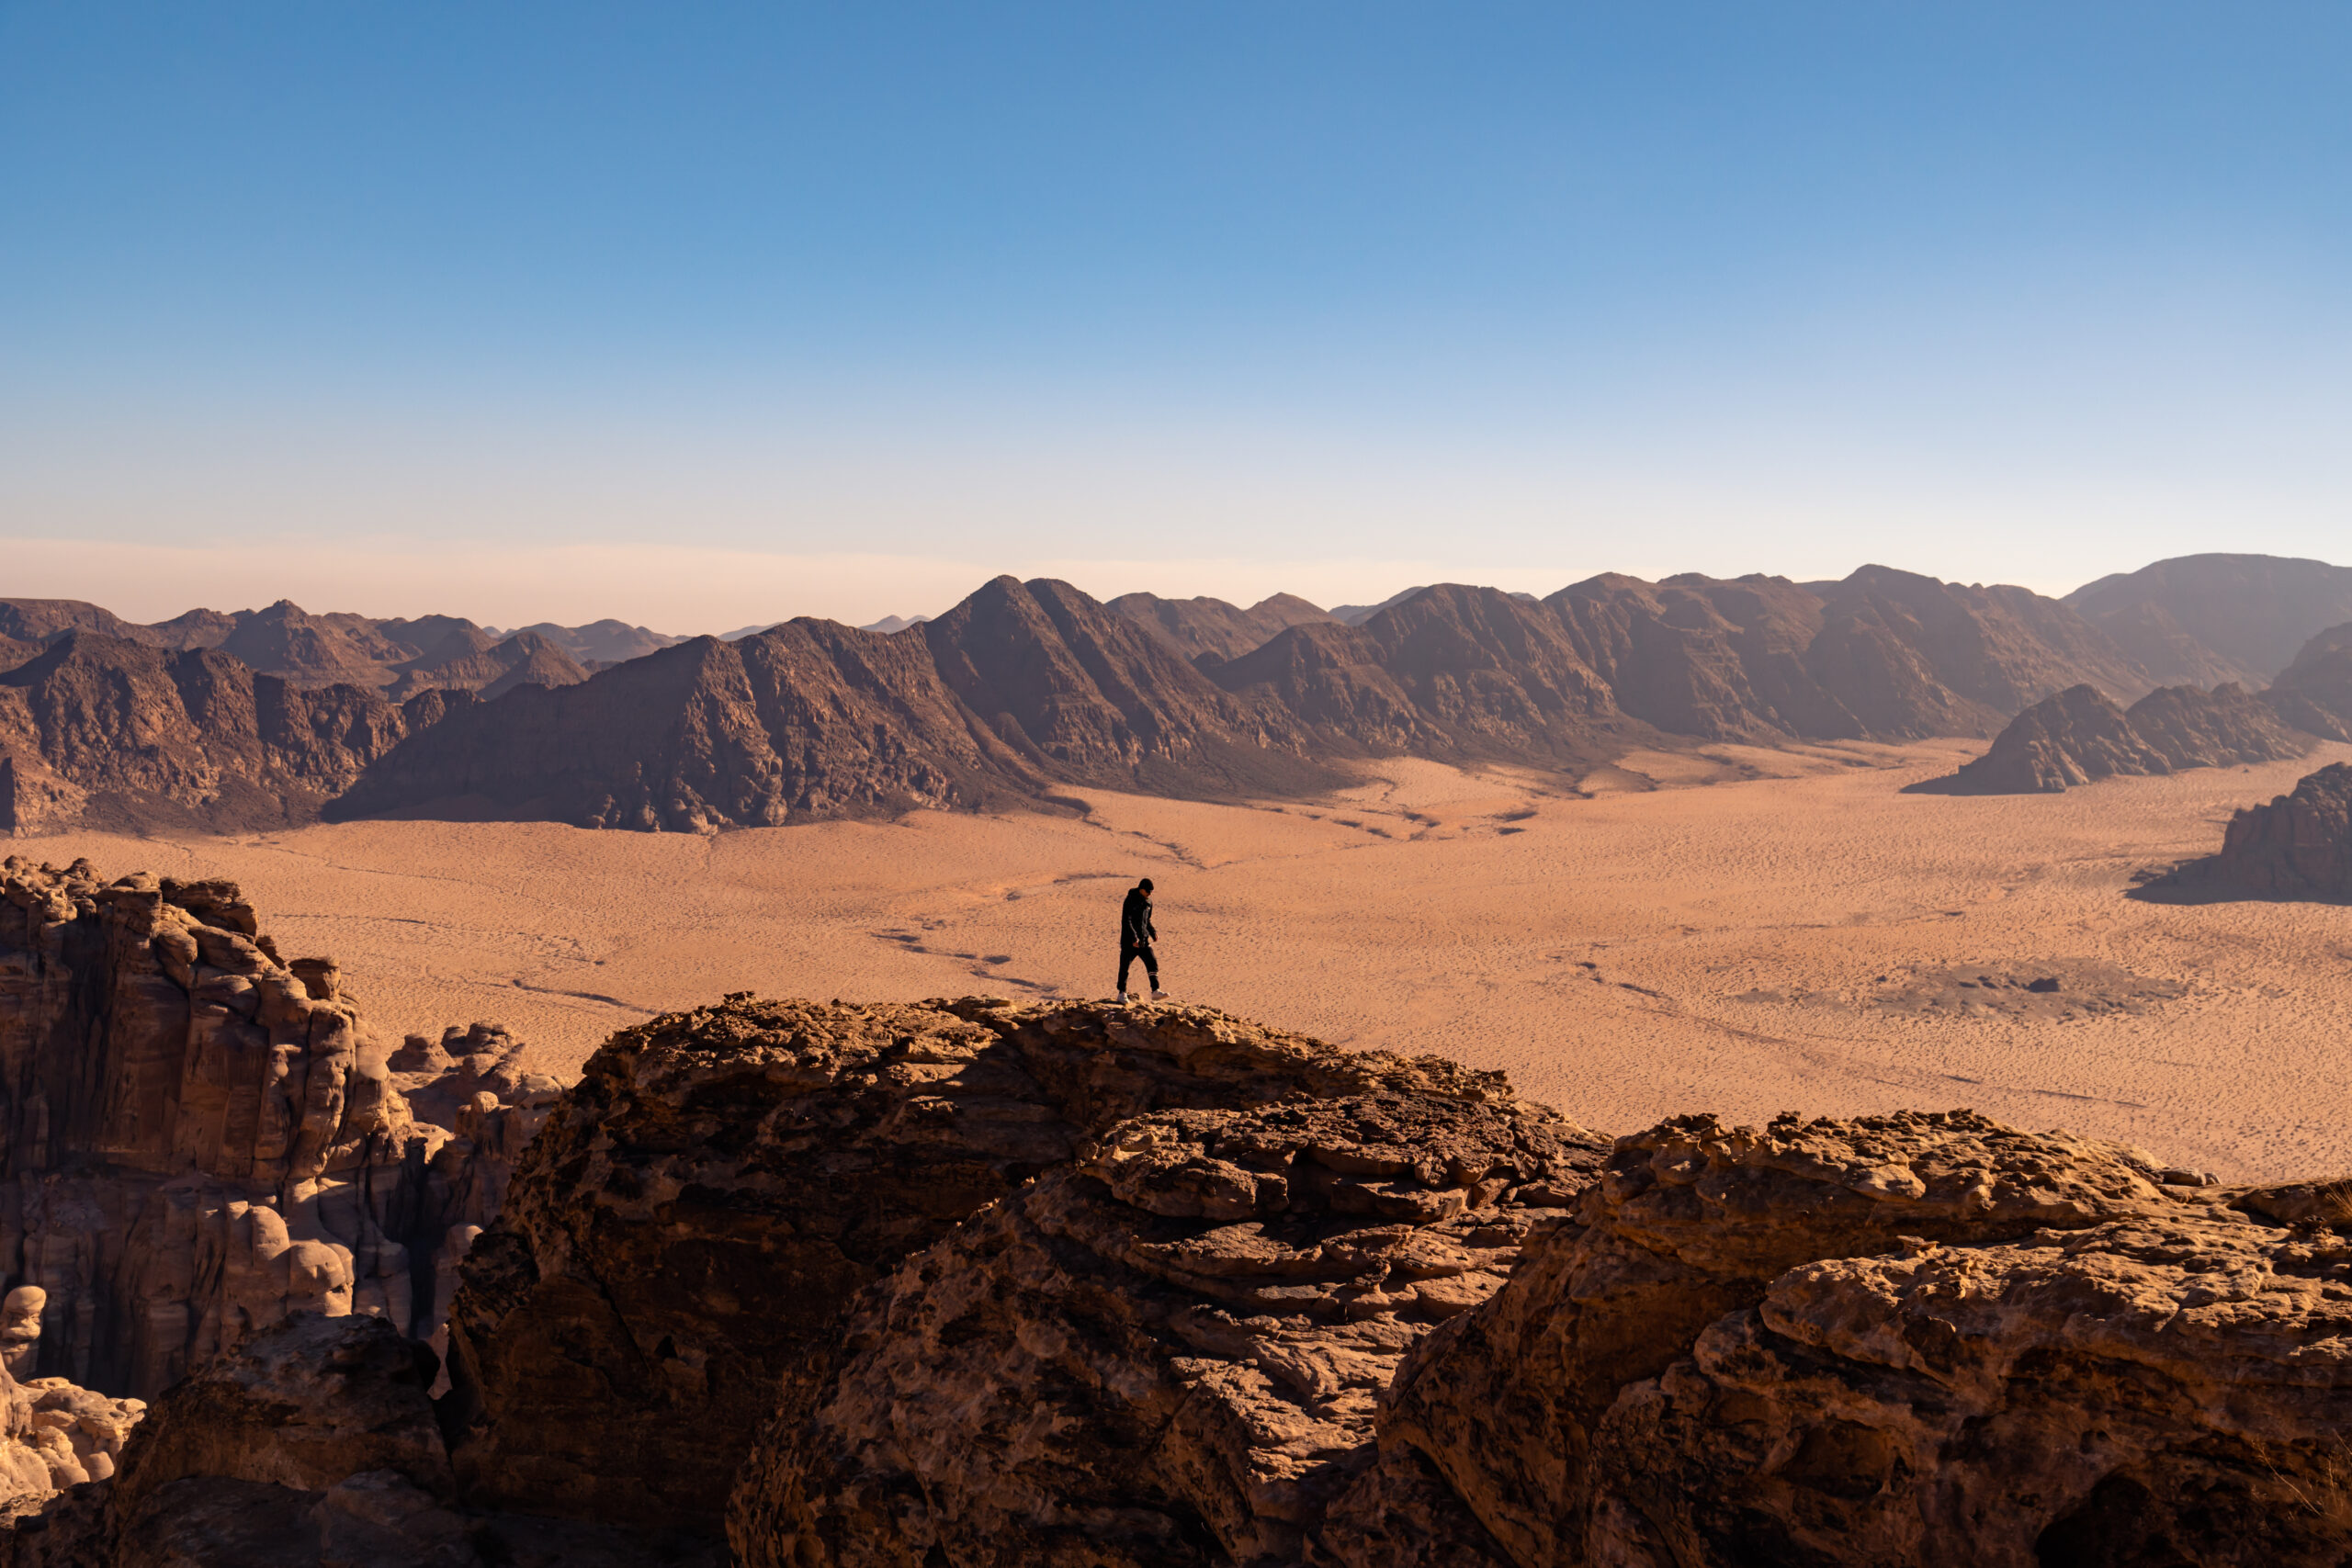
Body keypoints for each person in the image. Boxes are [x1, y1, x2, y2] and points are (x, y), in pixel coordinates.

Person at [1116, 878, 1167, 1003]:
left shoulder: (1149, 902)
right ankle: (1122, 993)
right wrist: (1134, 938)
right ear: (1141, 889)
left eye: (1151, 892)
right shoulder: (1130, 900)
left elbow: (1147, 921)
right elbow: (1126, 920)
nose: (1150, 894)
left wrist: (1153, 932)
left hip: (1143, 940)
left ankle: (1155, 991)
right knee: (1125, 967)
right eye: (1148, 891)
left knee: (1152, 962)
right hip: (1129, 941)